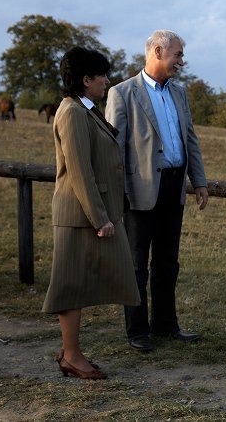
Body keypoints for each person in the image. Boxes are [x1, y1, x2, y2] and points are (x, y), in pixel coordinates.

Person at [106, 29, 209, 352]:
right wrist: (117, 192)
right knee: (137, 264)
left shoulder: (179, 93)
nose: (182, 60)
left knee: (167, 262)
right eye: (177, 54)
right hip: (139, 191)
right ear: (158, 52)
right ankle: (138, 331)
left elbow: (189, 138)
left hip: (174, 186)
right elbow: (114, 149)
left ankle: (166, 325)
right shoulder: (122, 94)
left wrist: (199, 180)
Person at [42, 46, 141, 380]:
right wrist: (100, 218)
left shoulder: (87, 109)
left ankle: (71, 352)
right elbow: (80, 170)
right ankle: (71, 355)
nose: (106, 81)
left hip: (88, 214)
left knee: (81, 283)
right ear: (86, 80)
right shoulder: (71, 112)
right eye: (101, 76)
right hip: (79, 216)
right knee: (71, 286)